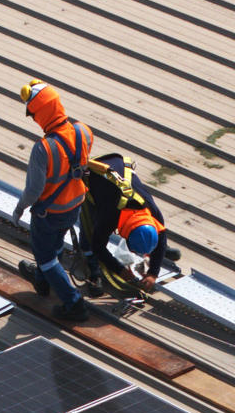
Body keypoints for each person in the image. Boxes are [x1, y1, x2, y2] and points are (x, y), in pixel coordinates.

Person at [14, 80, 94, 323]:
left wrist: (20, 208)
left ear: (42, 113)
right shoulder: (83, 131)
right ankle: (42, 280)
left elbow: (34, 189)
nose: (33, 119)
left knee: (45, 255)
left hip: (49, 212)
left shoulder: (43, 148)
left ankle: (73, 303)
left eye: (34, 114)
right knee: (56, 244)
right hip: (74, 204)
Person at [82, 152, 171, 297]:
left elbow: (162, 236)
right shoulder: (109, 216)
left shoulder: (153, 212)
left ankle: (152, 248)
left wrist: (153, 273)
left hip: (118, 166)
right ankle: (94, 273)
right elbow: (98, 246)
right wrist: (119, 270)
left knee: (160, 243)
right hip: (93, 175)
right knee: (89, 233)